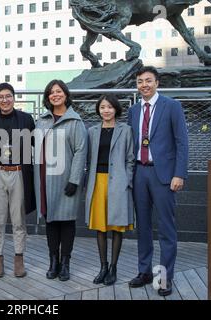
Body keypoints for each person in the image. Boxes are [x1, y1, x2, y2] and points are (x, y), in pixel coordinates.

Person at [128, 66, 188, 296]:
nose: (144, 85)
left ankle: (164, 277)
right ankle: (145, 271)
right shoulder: (134, 110)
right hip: (139, 173)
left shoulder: (172, 106)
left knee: (166, 228)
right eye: (140, 81)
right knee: (142, 226)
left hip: (164, 175)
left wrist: (179, 174)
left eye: (148, 80)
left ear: (157, 83)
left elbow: (182, 142)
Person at [34, 79, 88, 281]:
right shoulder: (43, 120)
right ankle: (53, 261)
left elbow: (81, 151)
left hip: (66, 180)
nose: (55, 95)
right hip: (45, 180)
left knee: (66, 222)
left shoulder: (75, 122)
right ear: (48, 97)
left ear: (65, 94)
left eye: (58, 91)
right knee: (50, 221)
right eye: (51, 92)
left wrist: (75, 180)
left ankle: (65, 263)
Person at [0, 83, 36, 278]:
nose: (4, 100)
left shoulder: (26, 119)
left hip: (18, 173)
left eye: (8, 96)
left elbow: (39, 144)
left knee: (18, 220)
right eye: (0, 97)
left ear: (14, 98)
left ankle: (18, 259)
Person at [85, 94, 134, 286]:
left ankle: (114, 267)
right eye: (103, 107)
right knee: (100, 226)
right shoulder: (92, 131)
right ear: (99, 110)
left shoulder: (126, 130)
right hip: (97, 181)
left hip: (118, 182)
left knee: (116, 227)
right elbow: (88, 159)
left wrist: (127, 181)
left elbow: (130, 159)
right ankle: (103, 266)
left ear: (116, 110)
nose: (106, 110)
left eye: (110, 107)